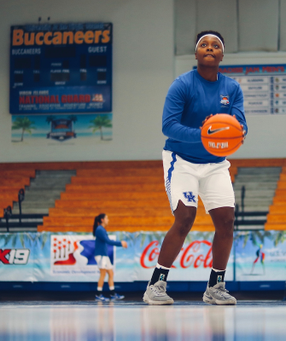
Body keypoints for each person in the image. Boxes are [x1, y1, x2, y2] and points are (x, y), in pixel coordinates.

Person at [143, 30, 247, 305]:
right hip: (182, 161)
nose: (209, 48)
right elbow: (168, 126)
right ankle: (156, 284)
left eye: (215, 46)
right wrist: (203, 134)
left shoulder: (232, 89)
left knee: (226, 221)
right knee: (186, 217)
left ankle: (215, 286)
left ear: (222, 55)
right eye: (204, 45)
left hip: (215, 165)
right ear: (197, 53)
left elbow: (241, 125)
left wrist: (236, 131)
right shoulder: (182, 85)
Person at [93, 214, 128, 301]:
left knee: (111, 273)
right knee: (103, 274)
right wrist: (121, 243)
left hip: (104, 255)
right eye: (107, 218)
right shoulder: (100, 229)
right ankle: (98, 294)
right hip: (101, 255)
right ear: (102, 220)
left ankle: (113, 294)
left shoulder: (101, 229)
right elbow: (108, 241)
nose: (108, 220)